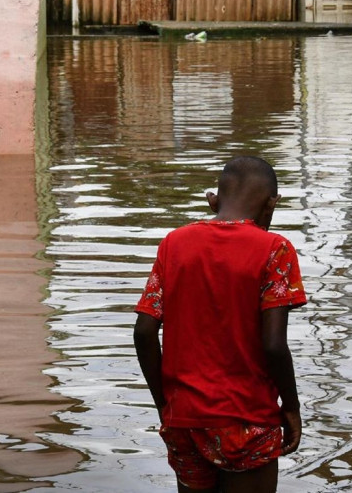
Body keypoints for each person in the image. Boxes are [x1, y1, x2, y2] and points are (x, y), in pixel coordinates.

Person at [134, 155, 307, 493]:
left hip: (183, 420)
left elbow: (143, 332)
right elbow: (273, 345)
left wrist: (165, 405)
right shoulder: (275, 250)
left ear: (213, 200)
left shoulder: (173, 244)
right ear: (272, 202)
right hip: (247, 420)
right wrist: (292, 407)